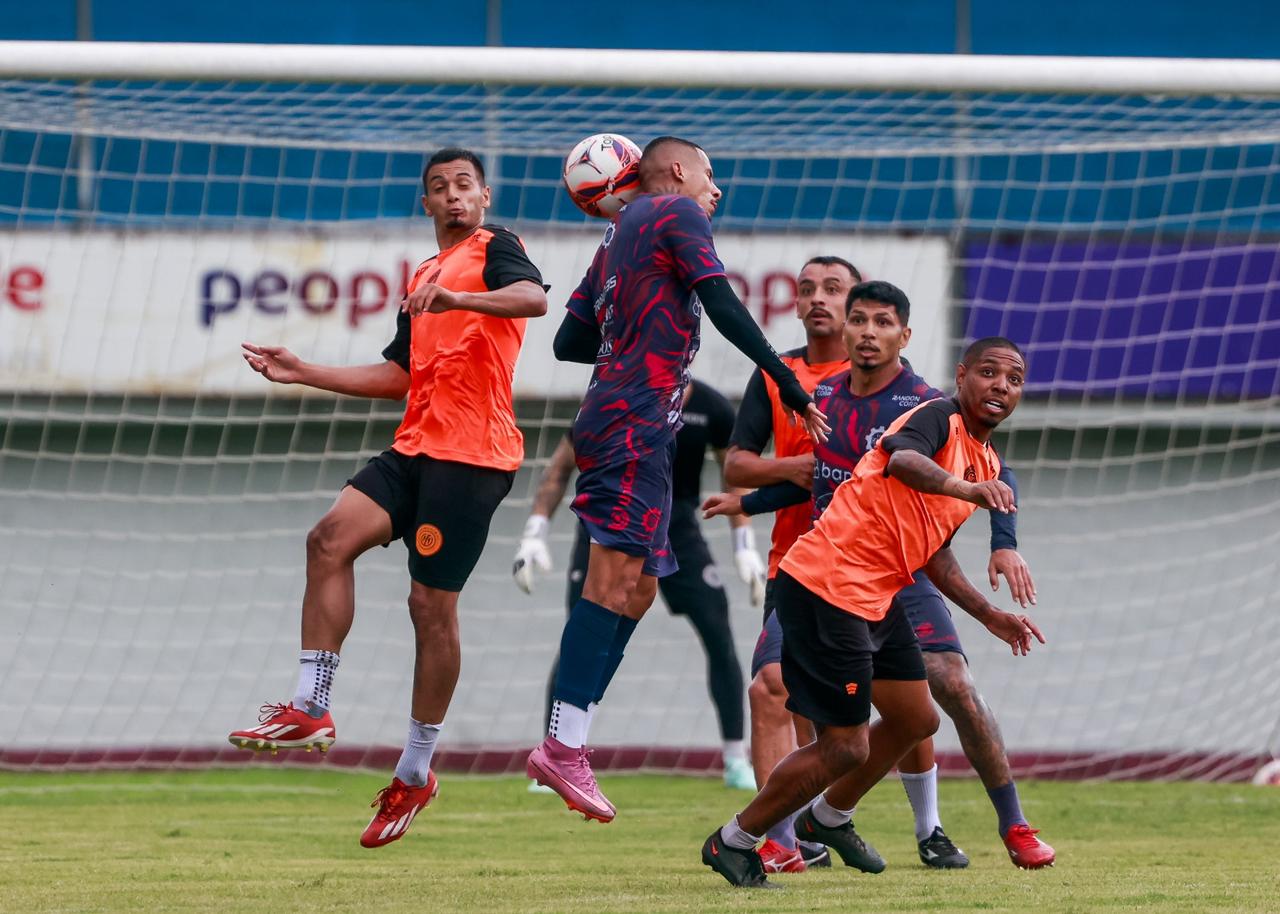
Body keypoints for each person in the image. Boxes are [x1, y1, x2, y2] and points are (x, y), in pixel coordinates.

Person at [227, 147, 547, 849]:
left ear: (484, 196)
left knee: (428, 608)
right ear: (424, 204)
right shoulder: (424, 274)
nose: (454, 196)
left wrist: (462, 298)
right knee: (327, 541)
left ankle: (416, 769)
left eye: (465, 185)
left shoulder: (499, 248)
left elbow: (535, 299)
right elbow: (398, 372)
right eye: (440, 188)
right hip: (415, 447)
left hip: (472, 458)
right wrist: (301, 370)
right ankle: (312, 707)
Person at [525, 135, 829, 823]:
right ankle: (563, 745)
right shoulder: (675, 212)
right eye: (710, 175)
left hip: (637, 421)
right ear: (677, 172)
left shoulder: (612, 242)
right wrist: (785, 381)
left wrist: (631, 322)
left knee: (642, 585)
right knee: (612, 581)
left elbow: (568, 343)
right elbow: (719, 303)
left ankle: (572, 730)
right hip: (632, 417)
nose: (715, 190)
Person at [714, 281, 1053, 871]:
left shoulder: (985, 458)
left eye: (1014, 379)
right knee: (841, 742)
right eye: (990, 374)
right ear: (962, 374)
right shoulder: (935, 416)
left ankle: (834, 817)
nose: (1001, 386)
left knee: (917, 716)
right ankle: (740, 840)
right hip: (827, 583)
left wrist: (991, 613)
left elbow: (936, 553)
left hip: (878, 593)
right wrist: (965, 488)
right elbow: (901, 458)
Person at [511, 376, 766, 790]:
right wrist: (535, 530)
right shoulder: (609, 397)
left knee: (718, 630)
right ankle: (556, 754)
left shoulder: (713, 407)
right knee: (584, 635)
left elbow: (731, 472)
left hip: (677, 526)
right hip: (605, 526)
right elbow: (562, 467)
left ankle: (736, 758)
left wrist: (744, 543)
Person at [723, 255, 859, 870]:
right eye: (807, 289)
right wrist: (793, 469)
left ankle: (922, 828)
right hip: (795, 567)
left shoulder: (880, 379)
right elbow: (736, 464)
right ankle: (777, 841)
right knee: (771, 688)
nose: (818, 299)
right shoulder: (776, 374)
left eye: (833, 288)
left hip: (868, 571)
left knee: (924, 700)